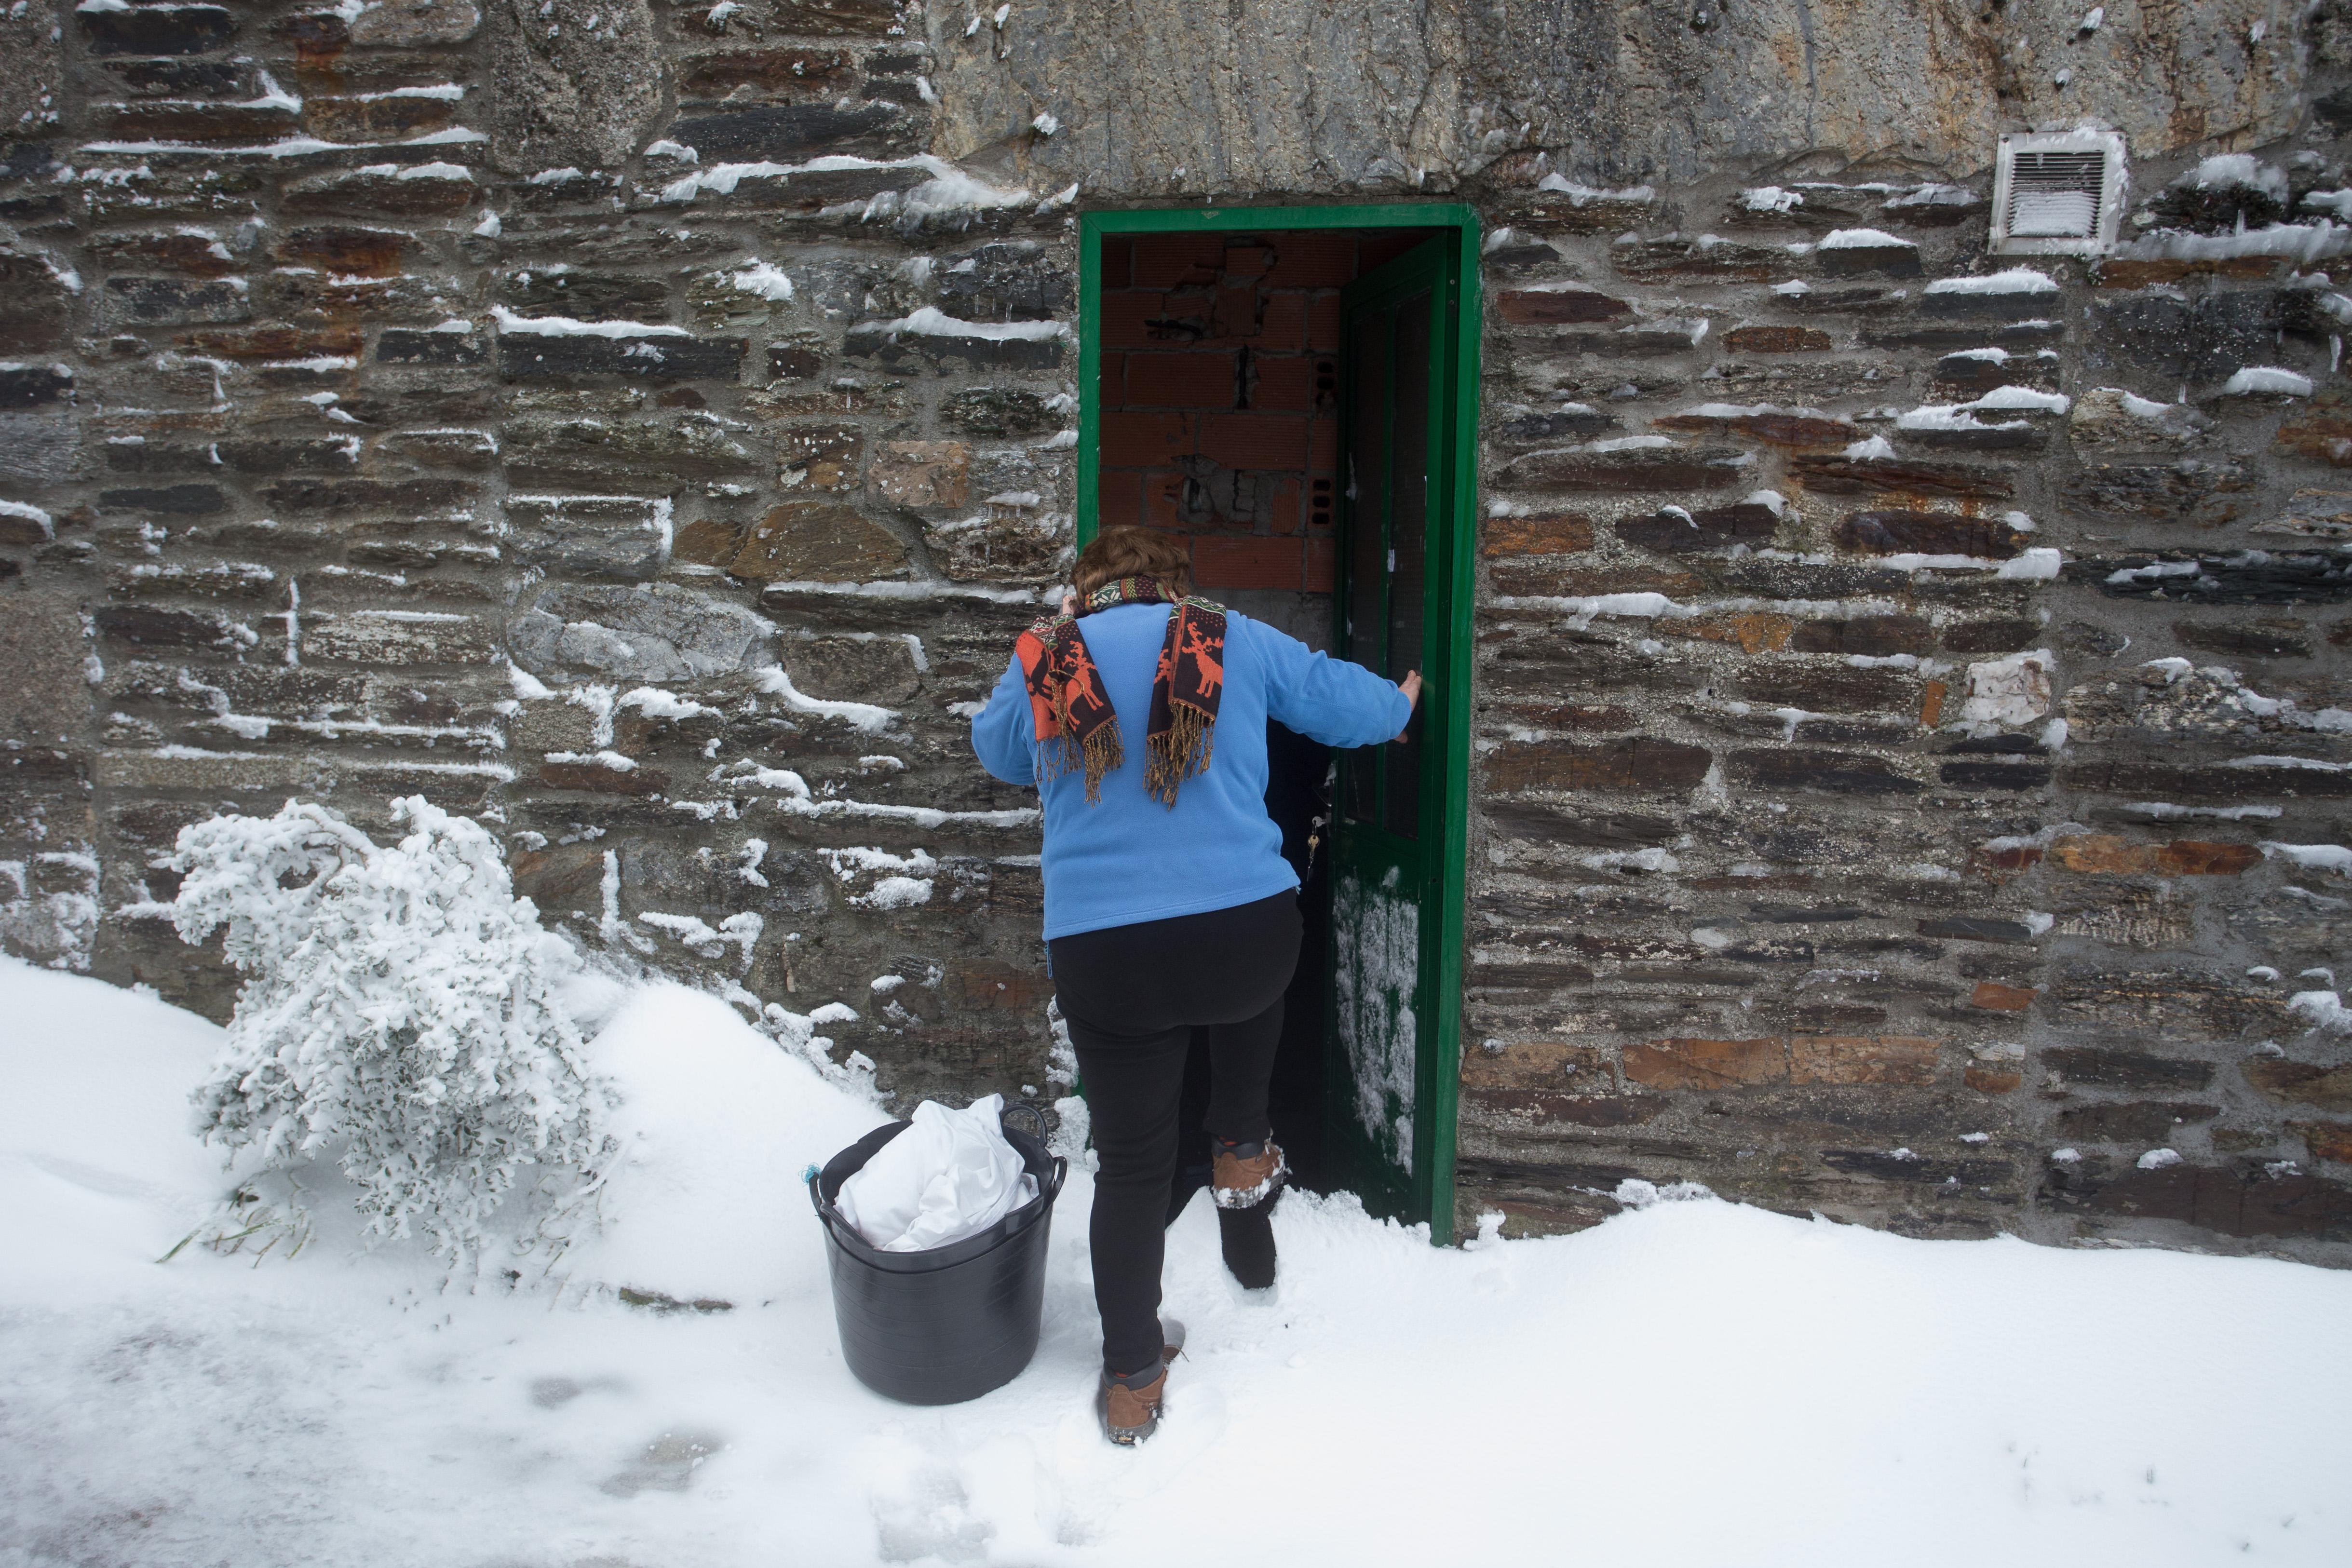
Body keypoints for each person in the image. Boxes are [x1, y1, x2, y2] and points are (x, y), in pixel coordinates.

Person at [970, 526, 1417, 1446]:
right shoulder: (1228, 634)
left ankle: (1133, 1376)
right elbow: (1349, 707)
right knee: (1244, 1053)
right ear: (1174, 587)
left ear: (1084, 592)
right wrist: (1399, 700)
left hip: (1106, 953)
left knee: (1132, 1169)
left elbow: (1002, 754)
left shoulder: (1052, 658)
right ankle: (1243, 1171)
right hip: (1241, 940)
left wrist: (1052, 644)